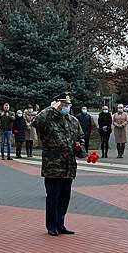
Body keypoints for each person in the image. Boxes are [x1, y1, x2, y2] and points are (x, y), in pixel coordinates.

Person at [33, 93, 87, 236]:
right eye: (63, 104)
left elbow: (81, 138)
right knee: (53, 197)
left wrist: (80, 149)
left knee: (65, 197)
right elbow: (36, 122)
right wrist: (51, 109)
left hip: (68, 166)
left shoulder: (73, 121)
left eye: (68, 105)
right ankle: (51, 225)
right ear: (57, 105)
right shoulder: (49, 119)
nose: (66, 107)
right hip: (53, 166)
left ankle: (60, 223)